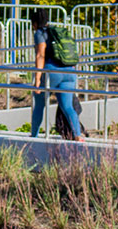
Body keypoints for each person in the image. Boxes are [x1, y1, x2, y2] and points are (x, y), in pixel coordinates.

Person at [30, 9, 84, 141]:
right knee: (67, 106)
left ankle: (34, 135)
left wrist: (37, 79)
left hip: (52, 72)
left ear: (35, 23)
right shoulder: (57, 32)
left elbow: (40, 55)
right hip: (69, 72)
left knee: (39, 104)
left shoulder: (40, 33)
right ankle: (78, 135)